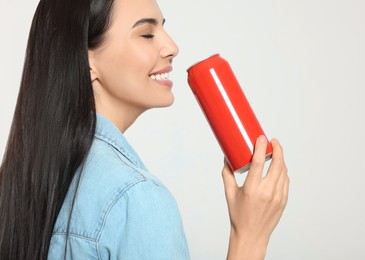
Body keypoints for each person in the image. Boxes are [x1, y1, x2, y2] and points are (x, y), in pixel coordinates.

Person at [0, 0, 290, 259]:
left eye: (163, 29)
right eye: (147, 34)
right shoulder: (135, 199)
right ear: (87, 61)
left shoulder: (28, 182)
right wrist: (249, 238)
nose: (172, 47)